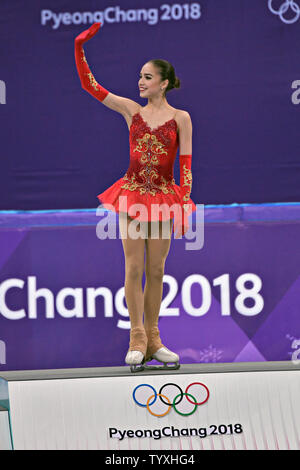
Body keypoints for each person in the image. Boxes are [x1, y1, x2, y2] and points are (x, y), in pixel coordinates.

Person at [74, 22, 197, 372]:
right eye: (140, 76)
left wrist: (185, 200)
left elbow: (186, 162)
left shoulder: (181, 118)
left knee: (157, 270)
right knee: (134, 267)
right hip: (132, 195)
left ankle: (155, 339)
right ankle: (136, 337)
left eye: (147, 77)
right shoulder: (132, 111)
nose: (140, 82)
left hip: (162, 197)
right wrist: (79, 48)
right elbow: (90, 85)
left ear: (164, 82)